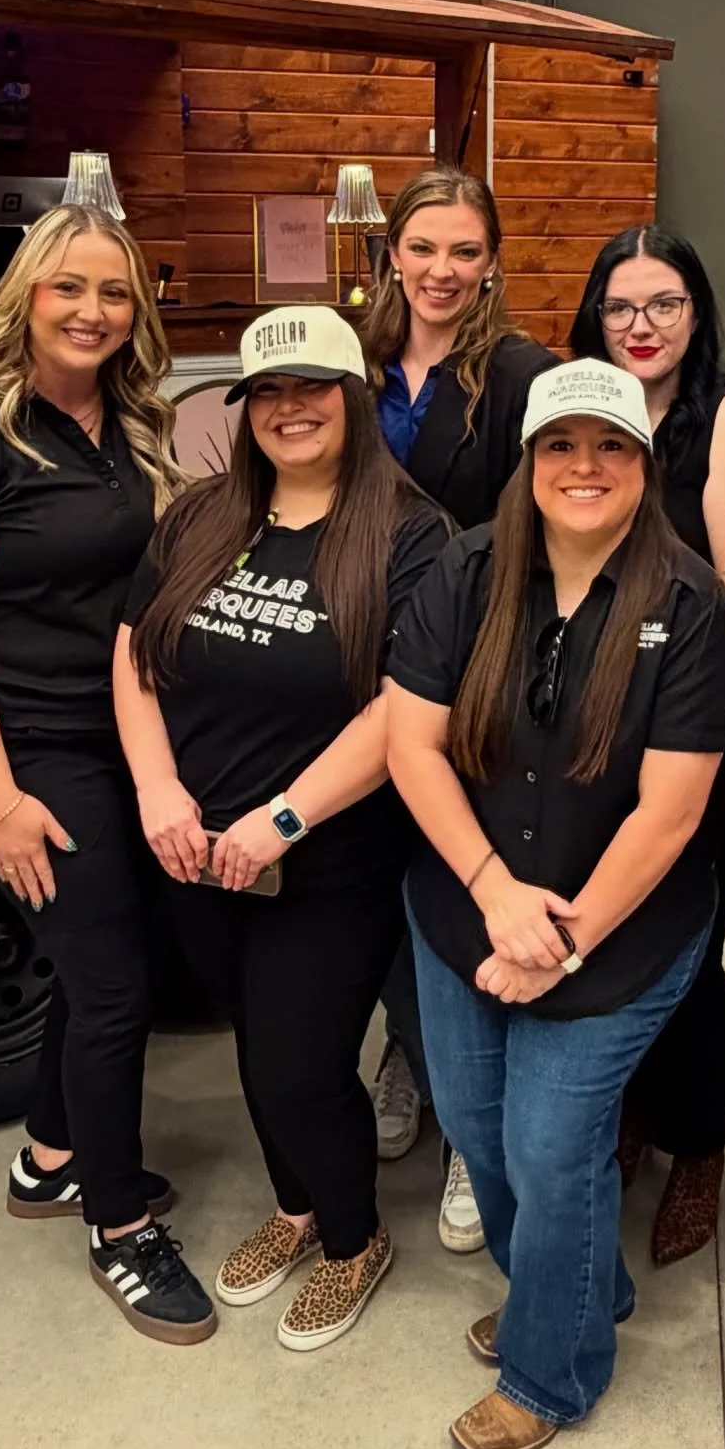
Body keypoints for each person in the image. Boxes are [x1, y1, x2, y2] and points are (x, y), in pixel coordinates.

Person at [385, 358, 725, 1449]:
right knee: (481, 1127)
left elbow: (673, 808)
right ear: (529, 461)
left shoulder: (688, 605)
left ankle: (551, 1368)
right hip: (463, 913)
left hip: (624, 929)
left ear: (644, 465)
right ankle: (578, 1287)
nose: (584, 467)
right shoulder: (467, 570)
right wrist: (498, 897)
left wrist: (562, 938)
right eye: (562, 446)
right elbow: (410, 743)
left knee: (553, 1150)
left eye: (611, 448)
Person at [0, 205, 216, 1344]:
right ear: (24, 296)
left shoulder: (126, 424)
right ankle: (119, 1225)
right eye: (69, 288)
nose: (92, 311)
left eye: (116, 293)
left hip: (123, 738)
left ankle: (48, 1159)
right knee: (117, 986)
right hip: (36, 752)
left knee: (98, 969)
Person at [114, 307, 448, 1352]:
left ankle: (352, 1238)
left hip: (330, 858)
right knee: (258, 1049)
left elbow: (406, 702)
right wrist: (159, 791)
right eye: (268, 391)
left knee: (302, 1065)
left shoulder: (412, 533)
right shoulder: (201, 516)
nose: (289, 408)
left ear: (351, 399)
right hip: (195, 851)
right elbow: (134, 658)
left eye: (312, 389)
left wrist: (285, 817)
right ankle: (299, 1207)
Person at [362, 166, 559, 1254]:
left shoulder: (520, 375)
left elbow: (556, 518)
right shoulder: (357, 365)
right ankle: (411, 1056)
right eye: (423, 248)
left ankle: (468, 1137)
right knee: (387, 873)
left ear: (491, 263)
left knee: (464, 875)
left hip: (471, 664)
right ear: (393, 251)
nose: (442, 271)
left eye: (464, 252)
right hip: (356, 664)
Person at [569, 226, 725, 1264]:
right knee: (617, 932)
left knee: (690, 943)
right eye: (622, 306)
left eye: (664, 304)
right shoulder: (569, 409)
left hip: (691, 720)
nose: (642, 325)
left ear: (697, 314)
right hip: (590, 721)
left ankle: (700, 1143)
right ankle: (635, 1109)